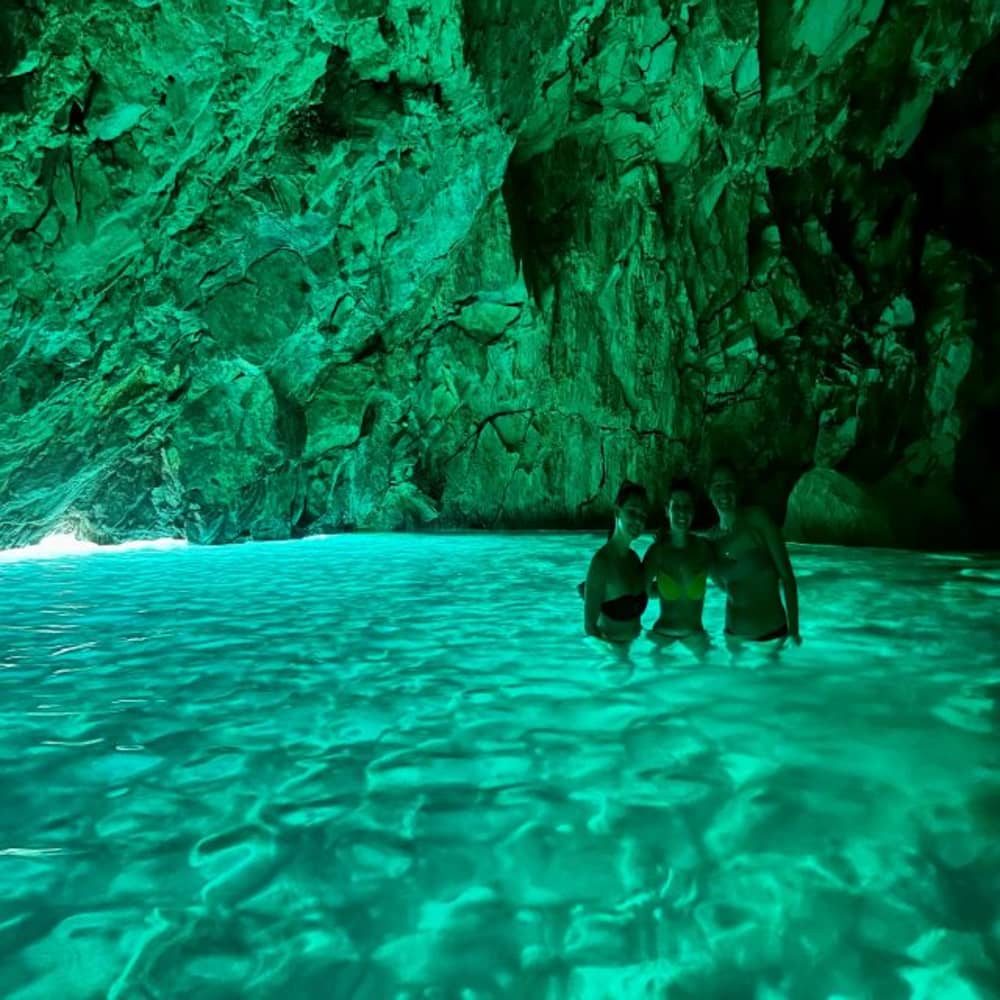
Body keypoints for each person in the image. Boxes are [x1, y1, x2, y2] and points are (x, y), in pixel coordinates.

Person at [705, 460, 801, 652]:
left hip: (772, 637)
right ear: (709, 491)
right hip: (732, 638)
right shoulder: (711, 540)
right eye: (718, 486)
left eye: (730, 485)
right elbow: (724, 586)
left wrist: (794, 631)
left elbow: (788, 578)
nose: (724, 491)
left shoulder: (757, 519)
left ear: (738, 488)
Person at [642, 477, 712, 657]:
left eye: (687, 506)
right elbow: (638, 591)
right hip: (662, 635)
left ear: (693, 511)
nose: (682, 511)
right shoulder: (657, 552)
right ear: (667, 510)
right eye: (676, 506)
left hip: (696, 635)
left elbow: (727, 578)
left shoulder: (703, 549)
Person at [582, 481, 650, 643]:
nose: (638, 520)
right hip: (612, 656)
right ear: (617, 511)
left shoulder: (634, 559)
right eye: (632, 511)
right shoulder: (601, 563)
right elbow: (590, 628)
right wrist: (614, 658)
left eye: (643, 515)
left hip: (634, 652)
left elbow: (648, 590)